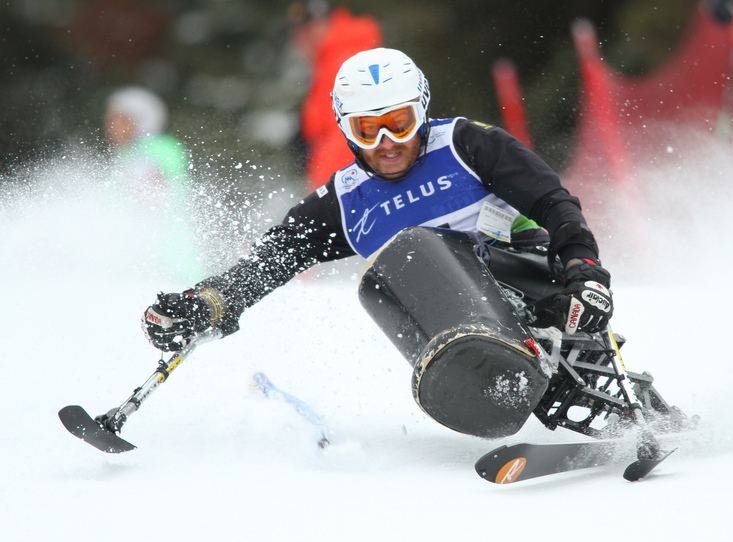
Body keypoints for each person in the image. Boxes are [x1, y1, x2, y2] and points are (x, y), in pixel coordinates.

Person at [141, 48, 613, 429]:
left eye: (400, 122)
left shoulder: (469, 144)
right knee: (383, 276)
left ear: (422, 112)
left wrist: (583, 269)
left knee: (419, 245)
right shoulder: (345, 200)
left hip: (532, 282)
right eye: (368, 129)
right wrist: (213, 301)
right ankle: (475, 376)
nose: (387, 141)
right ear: (347, 130)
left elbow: (552, 201)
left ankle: (582, 383)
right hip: (453, 323)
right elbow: (274, 258)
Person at [104, 86, 202, 280]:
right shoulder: (126, 155)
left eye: (116, 120)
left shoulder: (158, 148)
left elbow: (157, 194)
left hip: (170, 259)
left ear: (137, 120)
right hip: (146, 259)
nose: (109, 126)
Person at [289, 1, 382, 191]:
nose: (298, 40)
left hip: (350, 184)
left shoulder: (342, 64)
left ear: (319, 26)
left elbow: (345, 135)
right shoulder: (332, 61)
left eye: (304, 31)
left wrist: (328, 191)